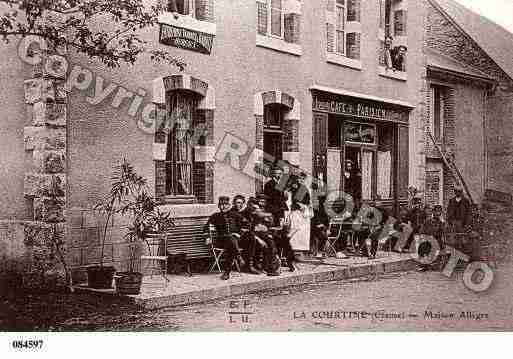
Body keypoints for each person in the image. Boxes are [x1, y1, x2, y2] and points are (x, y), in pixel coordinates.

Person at [205, 196, 246, 280]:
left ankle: (227, 273)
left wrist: (239, 233)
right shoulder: (215, 216)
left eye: (226, 204)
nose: (223, 206)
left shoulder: (235, 215)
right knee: (230, 241)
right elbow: (206, 228)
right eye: (221, 205)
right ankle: (238, 256)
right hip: (221, 240)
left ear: (229, 205)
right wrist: (208, 237)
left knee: (231, 243)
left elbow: (246, 224)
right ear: (219, 206)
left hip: (234, 240)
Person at [417, 204, 445, 272]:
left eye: (439, 212)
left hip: (437, 240)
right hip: (428, 239)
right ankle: (424, 264)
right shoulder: (428, 221)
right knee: (423, 245)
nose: (438, 213)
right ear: (433, 212)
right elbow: (422, 231)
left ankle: (428, 264)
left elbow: (442, 233)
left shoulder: (441, 223)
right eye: (436, 211)